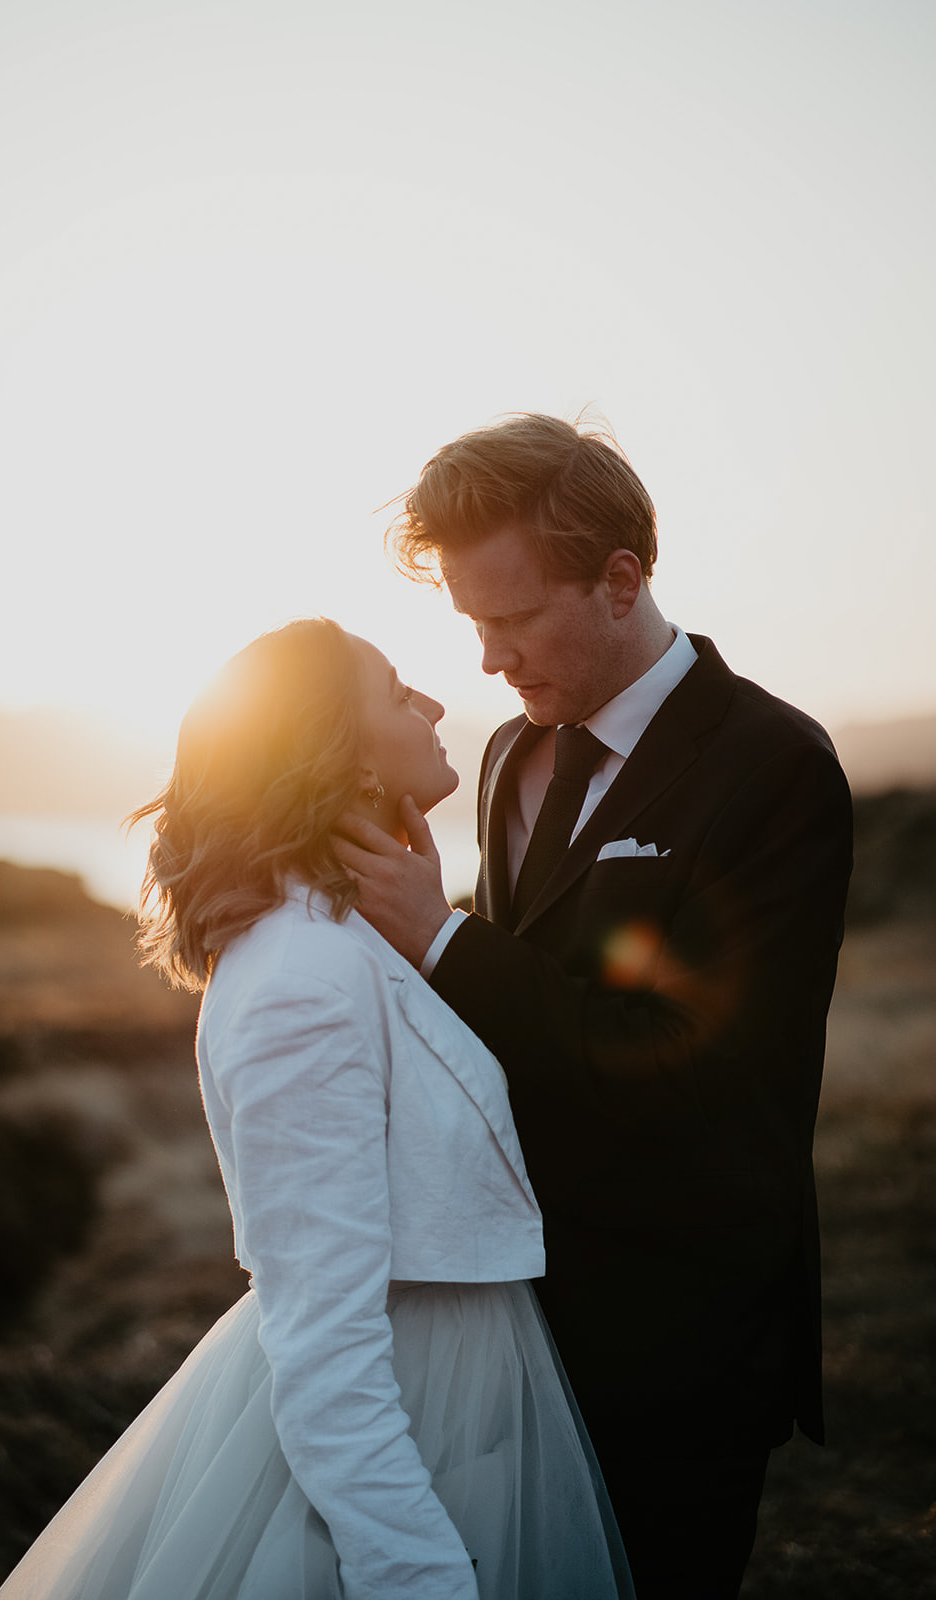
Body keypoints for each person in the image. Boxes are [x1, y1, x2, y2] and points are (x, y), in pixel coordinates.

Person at [0, 617, 634, 1600]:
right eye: (392, 690)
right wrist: (413, 1572)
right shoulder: (300, 977)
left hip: (454, 1399)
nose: (428, 702)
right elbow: (324, 1340)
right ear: (338, 752)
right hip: (396, 1416)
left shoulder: (349, 939)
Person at [334, 415, 854, 1600]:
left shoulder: (771, 767)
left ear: (620, 581)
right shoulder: (512, 758)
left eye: (513, 620)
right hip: (513, 1317)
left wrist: (443, 937)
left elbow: (691, 1067)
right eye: (471, 623)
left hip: (683, 1328)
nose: (487, 660)